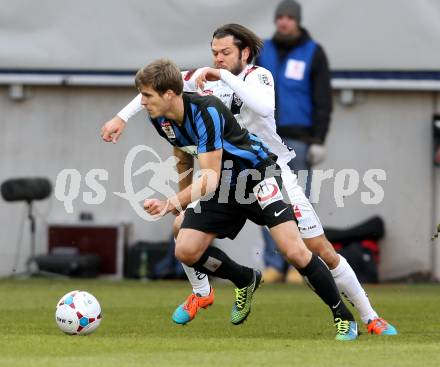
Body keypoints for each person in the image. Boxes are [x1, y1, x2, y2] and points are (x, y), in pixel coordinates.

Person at [101, 24, 396, 336]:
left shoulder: (258, 76)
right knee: (181, 232)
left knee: (311, 249)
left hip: (266, 170)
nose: (218, 59)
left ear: (245, 52)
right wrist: (121, 117)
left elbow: (264, 107)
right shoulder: (188, 90)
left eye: (226, 53)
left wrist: (224, 77)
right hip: (225, 178)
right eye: (214, 53)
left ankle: (368, 317)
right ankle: (208, 291)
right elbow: (155, 88)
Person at [256, 0, 332, 284]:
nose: (284, 22)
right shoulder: (263, 52)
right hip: (266, 137)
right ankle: (274, 263)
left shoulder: (313, 53)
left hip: (299, 139)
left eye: (289, 17)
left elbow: (323, 100)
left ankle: (300, 263)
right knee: (266, 201)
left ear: (297, 21)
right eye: (280, 17)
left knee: (298, 202)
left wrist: (319, 139)